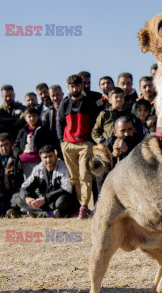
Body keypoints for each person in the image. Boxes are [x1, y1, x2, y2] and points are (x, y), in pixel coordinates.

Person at [58, 74, 97, 219]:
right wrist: (61, 141)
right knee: (74, 178)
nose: (75, 89)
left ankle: (85, 206)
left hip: (85, 144)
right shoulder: (65, 103)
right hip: (68, 144)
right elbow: (60, 123)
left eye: (77, 86)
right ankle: (81, 204)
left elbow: (94, 122)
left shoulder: (88, 102)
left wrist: (91, 141)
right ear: (68, 87)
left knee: (85, 176)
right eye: (72, 86)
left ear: (82, 86)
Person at [18, 144, 80, 218]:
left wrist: (45, 199)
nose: (48, 160)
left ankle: (36, 212)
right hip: (44, 202)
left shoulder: (63, 167)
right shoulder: (38, 169)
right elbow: (24, 187)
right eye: (45, 157)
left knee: (62, 201)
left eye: (50, 156)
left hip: (56, 200)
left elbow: (66, 189)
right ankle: (47, 214)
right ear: (41, 159)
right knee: (19, 199)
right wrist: (28, 198)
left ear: (55, 156)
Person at [0, 133, 24, 217]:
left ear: (11, 143)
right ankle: (7, 211)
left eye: (6, 145)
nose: (4, 148)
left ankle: (6, 210)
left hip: (15, 192)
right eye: (1, 146)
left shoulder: (18, 157)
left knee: (19, 198)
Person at [14, 107, 50, 179]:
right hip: (25, 161)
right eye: (29, 116)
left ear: (38, 117)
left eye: (34, 116)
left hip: (39, 160)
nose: (32, 118)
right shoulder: (22, 131)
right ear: (25, 118)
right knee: (28, 180)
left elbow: (47, 144)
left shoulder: (43, 130)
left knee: (41, 179)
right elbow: (16, 145)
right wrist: (19, 155)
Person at [43, 85, 64, 156]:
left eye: (57, 95)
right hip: (55, 146)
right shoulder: (49, 113)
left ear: (62, 94)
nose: (55, 98)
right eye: (53, 96)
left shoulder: (69, 108)